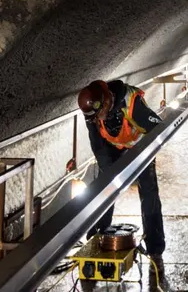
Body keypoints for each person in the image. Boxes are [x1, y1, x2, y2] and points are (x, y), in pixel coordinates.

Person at [78, 79, 165, 258]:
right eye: (95, 117)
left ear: (107, 100)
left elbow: (157, 128)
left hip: (140, 144)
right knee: (104, 187)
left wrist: (145, 156)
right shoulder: (92, 112)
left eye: (99, 114)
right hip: (114, 145)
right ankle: (98, 234)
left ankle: (155, 245)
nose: (98, 119)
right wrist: (107, 170)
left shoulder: (132, 103)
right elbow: (97, 144)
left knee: (148, 191)